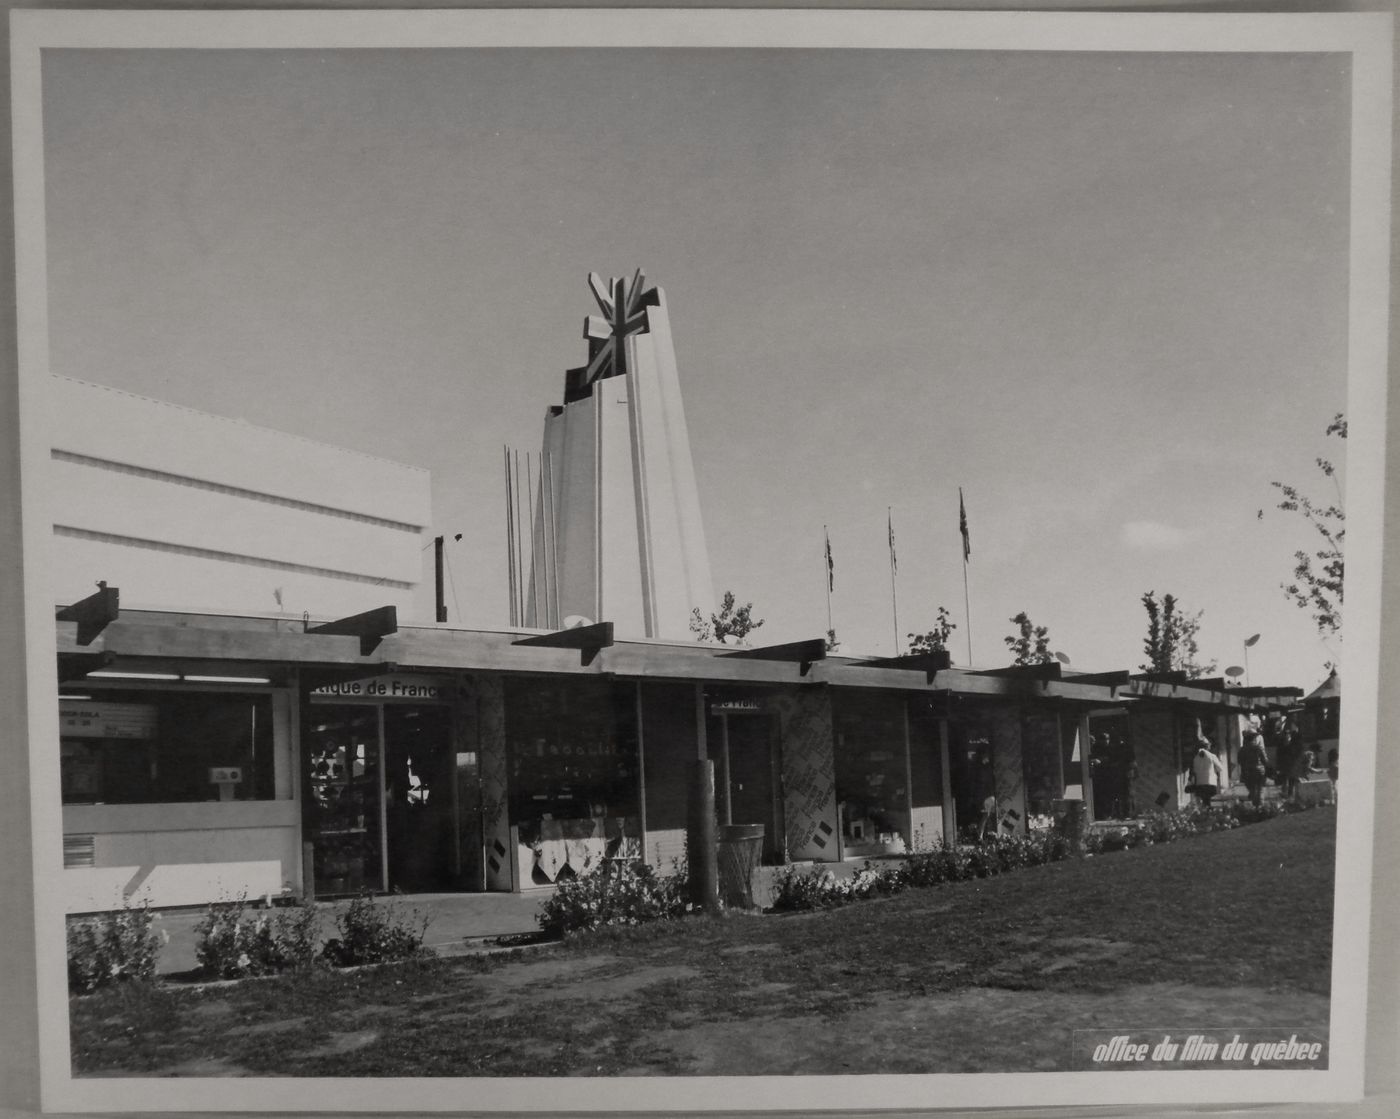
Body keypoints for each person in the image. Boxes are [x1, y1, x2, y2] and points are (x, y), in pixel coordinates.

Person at [1190, 729, 1225, 808]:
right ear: (1207, 746)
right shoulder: (1212, 756)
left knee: (1203, 800)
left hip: (1199, 783)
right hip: (1210, 783)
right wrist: (1214, 770)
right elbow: (1220, 768)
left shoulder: (1194, 757)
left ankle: (1205, 812)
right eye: (1209, 745)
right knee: (1208, 800)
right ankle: (1208, 814)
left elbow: (1193, 769)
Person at [1239, 729, 1268, 808]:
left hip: (1247, 772)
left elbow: (1240, 761)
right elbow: (1265, 760)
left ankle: (1255, 804)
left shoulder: (1242, 750)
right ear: (1254, 739)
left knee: (1252, 789)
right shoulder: (1259, 748)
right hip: (1259, 772)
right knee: (1260, 789)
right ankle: (1260, 806)